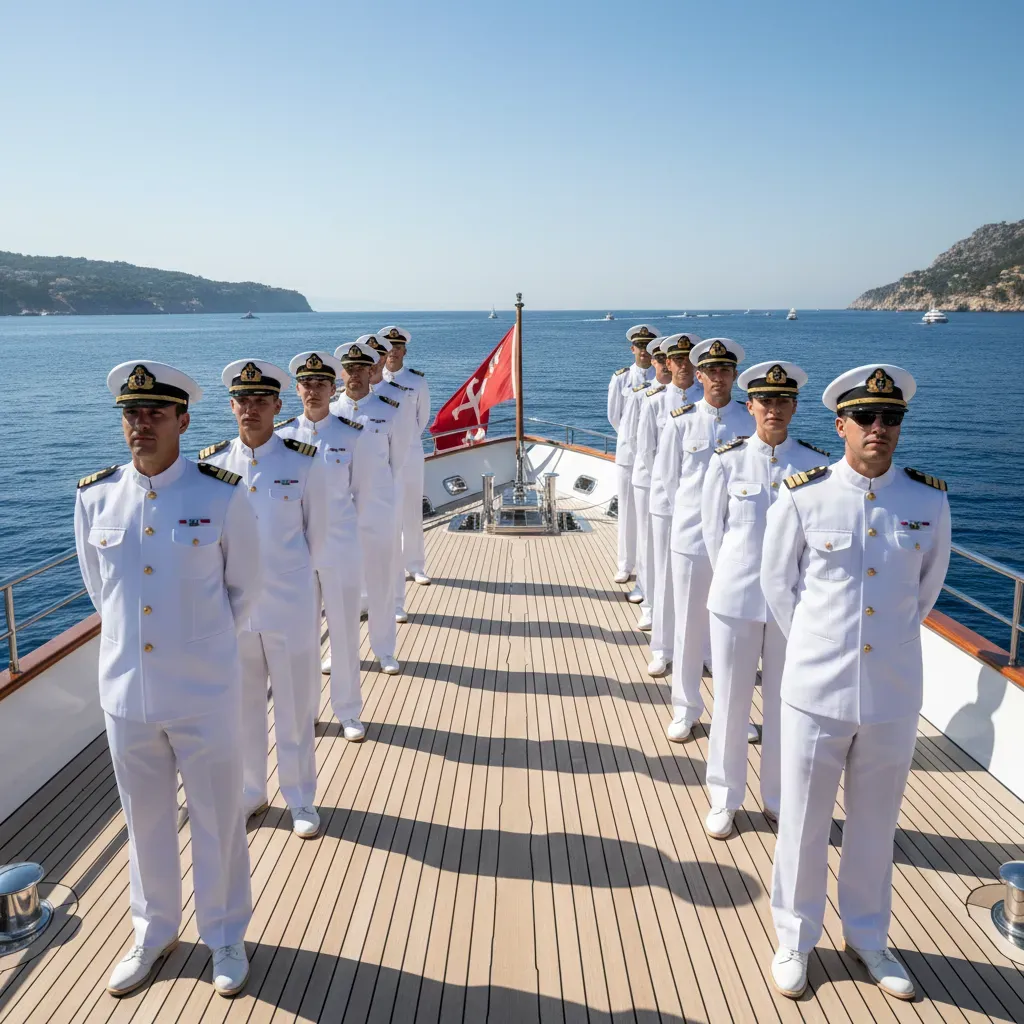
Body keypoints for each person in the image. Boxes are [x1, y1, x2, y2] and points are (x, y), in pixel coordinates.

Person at [760, 364, 951, 1001]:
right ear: (839, 425)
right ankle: (794, 937)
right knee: (805, 823)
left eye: (890, 418)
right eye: (865, 418)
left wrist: (882, 646)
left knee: (876, 825)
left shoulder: (927, 500)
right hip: (815, 690)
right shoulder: (804, 493)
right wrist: (821, 645)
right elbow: (778, 587)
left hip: (893, 692)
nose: (878, 428)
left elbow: (925, 592)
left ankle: (868, 936)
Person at [75, 361, 259, 998]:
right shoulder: (94, 497)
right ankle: (153, 932)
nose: (141, 424)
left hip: (205, 692)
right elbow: (103, 593)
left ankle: (226, 933)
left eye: (155, 412)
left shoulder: (221, 494)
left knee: (216, 818)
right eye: (132, 413)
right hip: (126, 695)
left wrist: (198, 651)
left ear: (183, 419)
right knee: (143, 820)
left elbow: (246, 590)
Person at [700, 361, 829, 840]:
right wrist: (739, 576)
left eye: (782, 401)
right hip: (734, 599)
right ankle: (724, 797)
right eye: (765, 401)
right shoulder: (727, 460)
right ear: (749, 405)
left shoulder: (815, 467)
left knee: (783, 704)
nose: (773, 409)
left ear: (794, 407)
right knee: (731, 703)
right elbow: (715, 533)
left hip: (792, 606)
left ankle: (775, 797)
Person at [201, 359, 328, 840]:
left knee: (294, 707)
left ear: (278, 405)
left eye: (260, 400)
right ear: (232, 406)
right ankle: (253, 790)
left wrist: (296, 584)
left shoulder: (302, 461)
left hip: (288, 604)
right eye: (242, 400)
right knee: (243, 706)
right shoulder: (211, 466)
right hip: (234, 613)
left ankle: (300, 798)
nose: (250, 409)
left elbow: (318, 536)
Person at [651, 338, 754, 741]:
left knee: (737, 634)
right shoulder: (681, 421)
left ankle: (737, 715)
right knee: (690, 628)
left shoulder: (750, 422)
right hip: (692, 538)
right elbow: (668, 480)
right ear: (699, 374)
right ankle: (686, 708)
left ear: (733, 376)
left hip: (739, 542)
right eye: (710, 371)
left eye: (724, 370)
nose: (717, 377)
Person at [276, 351, 366, 742]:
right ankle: (308, 709)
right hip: (295, 554)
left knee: (344, 632)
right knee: (301, 635)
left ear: (334, 388)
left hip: (341, 548)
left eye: (320, 384)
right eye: (306, 384)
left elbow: (362, 494)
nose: (313, 390)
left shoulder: (350, 436)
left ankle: (347, 710)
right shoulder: (281, 439)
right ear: (297, 389)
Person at [331, 337, 406, 673]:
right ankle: (340, 652)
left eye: (362, 368)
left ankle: (384, 649)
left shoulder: (389, 411)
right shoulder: (330, 413)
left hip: (377, 509)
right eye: (349, 369)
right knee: (339, 587)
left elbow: (398, 460)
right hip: (338, 515)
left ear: (373, 370)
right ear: (341, 374)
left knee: (380, 582)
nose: (355, 375)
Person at [637, 333, 702, 663]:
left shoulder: (708, 402)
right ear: (667, 363)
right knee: (664, 575)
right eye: (677, 360)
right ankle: (663, 649)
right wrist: (670, 492)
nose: (683, 366)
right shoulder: (655, 401)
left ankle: (703, 649)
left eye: (689, 359)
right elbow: (648, 453)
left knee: (705, 579)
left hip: (703, 509)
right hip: (665, 503)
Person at [365, 332, 417, 622]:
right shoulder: (340, 404)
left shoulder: (396, 397)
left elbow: (404, 441)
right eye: (365, 362)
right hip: (350, 490)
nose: (371, 365)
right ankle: (361, 600)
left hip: (386, 481)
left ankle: (395, 601)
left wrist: (388, 480)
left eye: (376, 358)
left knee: (390, 543)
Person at [381, 325, 432, 598]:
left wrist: (407, 441)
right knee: (387, 512)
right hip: (380, 454)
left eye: (397, 347)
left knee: (412, 509)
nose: (393, 352)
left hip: (410, 452)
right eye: (388, 347)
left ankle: (416, 565)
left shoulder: (417, 381)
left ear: (404, 351)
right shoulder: (373, 381)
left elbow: (421, 419)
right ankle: (393, 567)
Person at [608, 324, 658, 586]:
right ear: (632, 349)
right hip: (629, 455)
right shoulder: (621, 378)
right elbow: (615, 417)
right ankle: (625, 564)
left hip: (655, 458)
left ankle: (649, 567)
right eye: (640, 347)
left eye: (649, 347)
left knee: (652, 514)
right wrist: (634, 442)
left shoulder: (664, 378)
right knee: (627, 512)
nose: (644, 352)